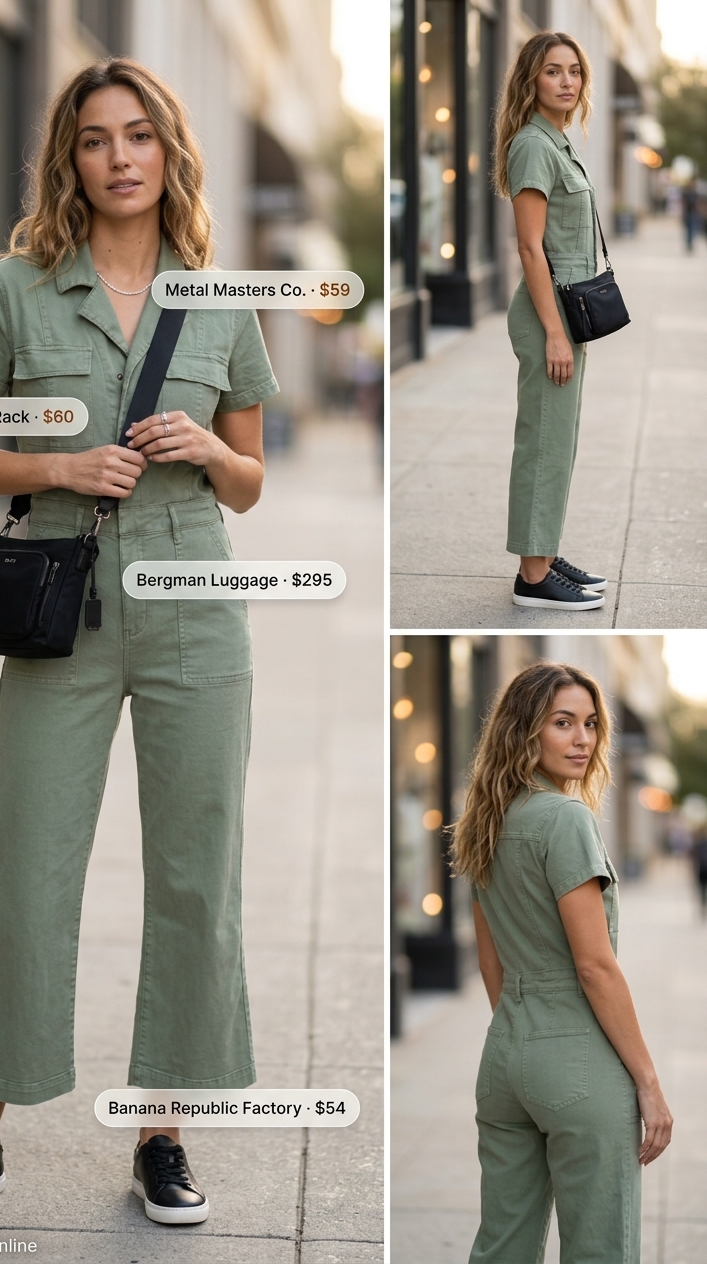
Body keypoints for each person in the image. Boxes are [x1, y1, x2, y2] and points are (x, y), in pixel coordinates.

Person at [0, 57, 278, 1226]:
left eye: (138, 137)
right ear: (69, 159)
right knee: (23, 863)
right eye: (94, 140)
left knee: (193, 871)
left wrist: (207, 453)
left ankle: (162, 1130)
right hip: (61, 596)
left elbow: (252, 478)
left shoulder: (218, 295)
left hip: (193, 601)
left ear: (170, 151)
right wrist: (58, 463)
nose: (118, 158)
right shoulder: (16, 287)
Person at [450, 662, 673, 1263]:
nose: (582, 739)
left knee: (502, 1245)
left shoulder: (486, 822)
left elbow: (489, 959)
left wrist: (523, 1037)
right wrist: (648, 1085)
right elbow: (595, 966)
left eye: (592, 724)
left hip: (506, 1058)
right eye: (563, 723)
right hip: (578, 1060)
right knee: (600, 1248)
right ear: (525, 731)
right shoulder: (566, 819)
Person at [493, 33, 608, 610]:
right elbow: (530, 248)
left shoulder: (557, 141)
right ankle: (532, 576)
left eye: (574, 71)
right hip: (548, 315)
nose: (567, 81)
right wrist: (556, 333)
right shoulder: (534, 146)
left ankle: (544, 551)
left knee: (558, 440)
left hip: (562, 312)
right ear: (531, 81)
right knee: (543, 440)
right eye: (553, 72)